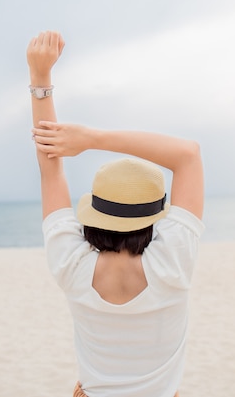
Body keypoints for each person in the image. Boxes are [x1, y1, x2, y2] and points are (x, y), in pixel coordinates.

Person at [27, 30, 204, 397]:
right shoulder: (173, 263)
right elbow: (187, 155)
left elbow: (51, 168)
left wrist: (40, 77)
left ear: (94, 212)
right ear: (156, 216)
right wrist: (93, 138)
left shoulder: (71, 264)